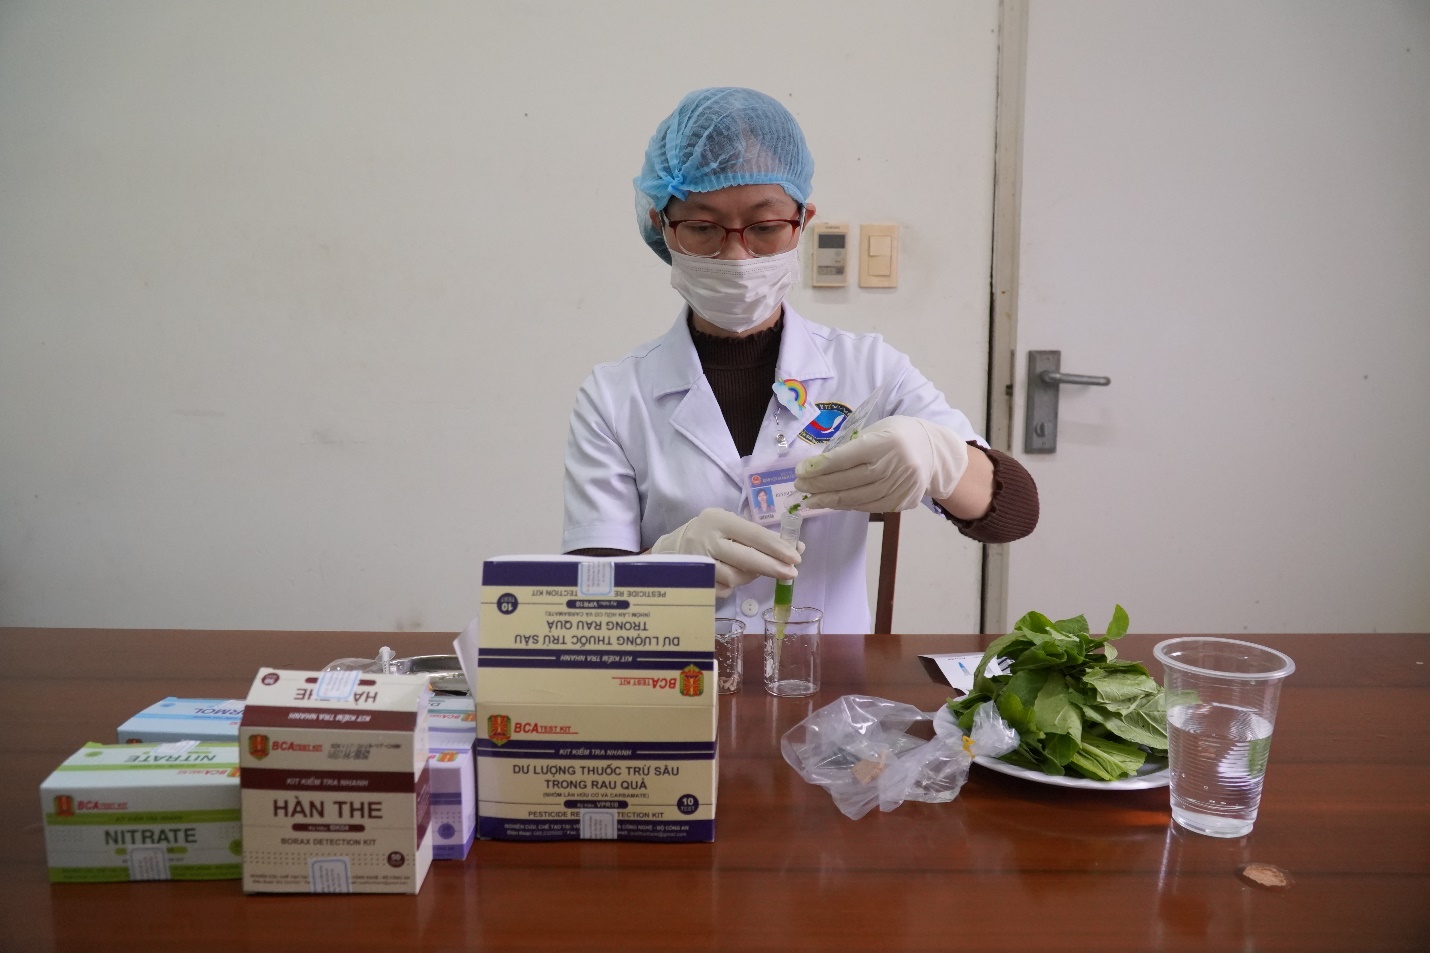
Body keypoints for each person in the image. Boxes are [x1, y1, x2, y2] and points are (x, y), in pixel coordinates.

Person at [562, 87, 1038, 633]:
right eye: (702, 227)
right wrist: (666, 568)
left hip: (827, 674)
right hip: (676, 671)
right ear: (663, 227)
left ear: (802, 221)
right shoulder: (614, 395)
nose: (736, 255)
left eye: (765, 228)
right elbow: (587, 602)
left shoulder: (868, 369)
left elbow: (1015, 515)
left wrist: (941, 457)